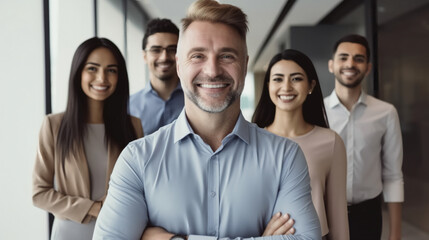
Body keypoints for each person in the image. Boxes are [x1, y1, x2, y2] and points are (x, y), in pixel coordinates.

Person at [93, 0, 321, 239]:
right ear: (179, 66)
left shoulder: (285, 157)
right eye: (198, 56)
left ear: (244, 66)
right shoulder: (137, 159)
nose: (212, 70)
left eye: (226, 56)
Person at [32, 37, 144, 240]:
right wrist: (93, 207)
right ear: (78, 73)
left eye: (111, 70)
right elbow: (39, 194)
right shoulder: (53, 126)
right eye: (92, 68)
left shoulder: (133, 126)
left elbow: (142, 186)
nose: (102, 78)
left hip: (119, 232)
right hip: (69, 233)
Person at [252, 49, 349, 240]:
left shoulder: (331, 142)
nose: (286, 87)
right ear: (268, 85)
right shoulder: (251, 140)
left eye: (296, 79)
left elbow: (338, 217)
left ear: (311, 85)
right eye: (278, 79)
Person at [324, 34, 404, 240]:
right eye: (343, 57)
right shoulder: (316, 112)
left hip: (368, 214)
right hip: (324, 212)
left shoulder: (386, 112)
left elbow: (393, 175)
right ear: (331, 65)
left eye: (358, 58)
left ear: (368, 68)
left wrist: (395, 233)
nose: (350, 63)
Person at [129, 18, 184, 135]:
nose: (164, 57)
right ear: (144, 56)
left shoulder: (196, 100)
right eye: (156, 50)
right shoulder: (129, 106)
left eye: (172, 49)